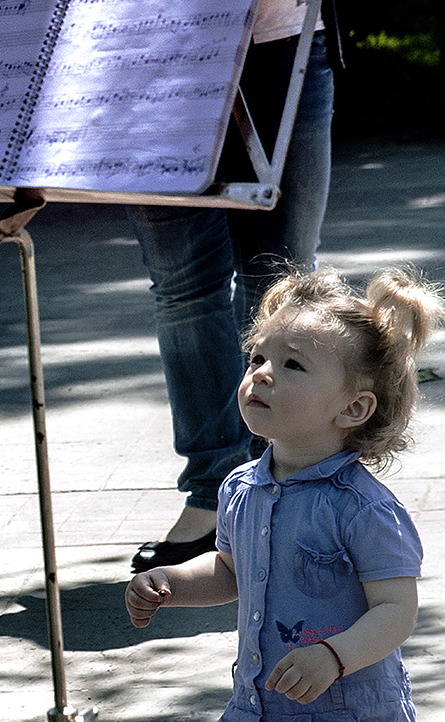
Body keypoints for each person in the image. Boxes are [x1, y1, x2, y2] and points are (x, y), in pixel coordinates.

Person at [128, 0, 385, 571]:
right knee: (182, 283)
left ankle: (284, 483)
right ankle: (212, 491)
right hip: (151, 54)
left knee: (283, 280)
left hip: (285, 51)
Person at [125, 267, 445, 722]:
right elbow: (233, 570)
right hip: (257, 703)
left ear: (353, 408)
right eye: (256, 359)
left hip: (346, 707)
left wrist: (335, 656)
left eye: (292, 364)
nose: (262, 375)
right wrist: (171, 582)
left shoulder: (361, 507)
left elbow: (396, 610)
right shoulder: (240, 487)